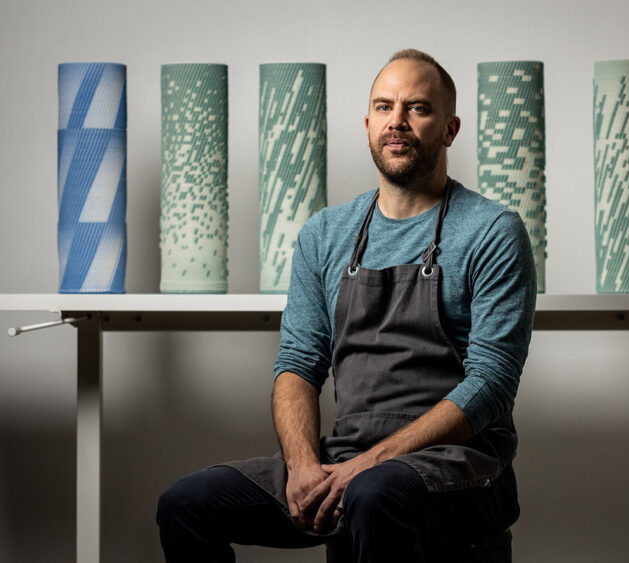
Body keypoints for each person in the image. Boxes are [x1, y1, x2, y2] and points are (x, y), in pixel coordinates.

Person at [157, 48, 536, 563]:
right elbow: (297, 365)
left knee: (373, 494)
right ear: (367, 125)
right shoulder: (325, 234)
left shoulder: (492, 230)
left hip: (460, 463)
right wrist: (302, 464)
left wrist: (371, 464)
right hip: (348, 459)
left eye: (418, 108)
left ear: (450, 129)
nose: (397, 121)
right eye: (384, 107)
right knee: (186, 504)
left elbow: (491, 384)